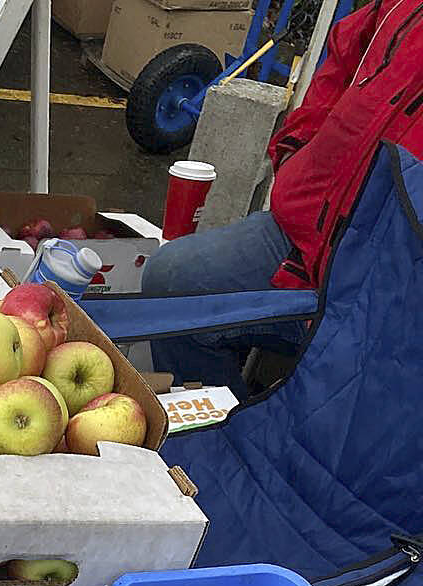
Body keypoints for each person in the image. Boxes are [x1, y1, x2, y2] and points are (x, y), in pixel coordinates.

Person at [141, 0, 423, 394]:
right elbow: (345, 57)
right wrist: (296, 148)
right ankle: (219, 430)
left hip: (396, 291)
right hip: (304, 237)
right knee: (172, 281)